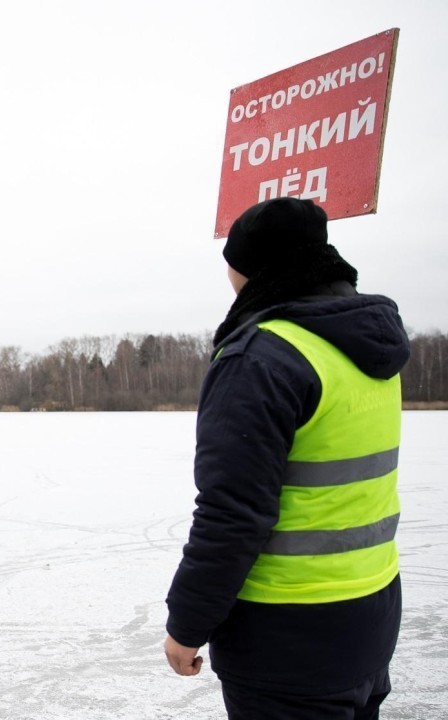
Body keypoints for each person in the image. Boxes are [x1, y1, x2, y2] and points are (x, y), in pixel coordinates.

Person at [163, 197, 408, 719]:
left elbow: (232, 514)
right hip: (371, 614)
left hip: (288, 637)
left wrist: (186, 625)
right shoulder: (366, 348)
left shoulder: (263, 357)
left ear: (249, 266)